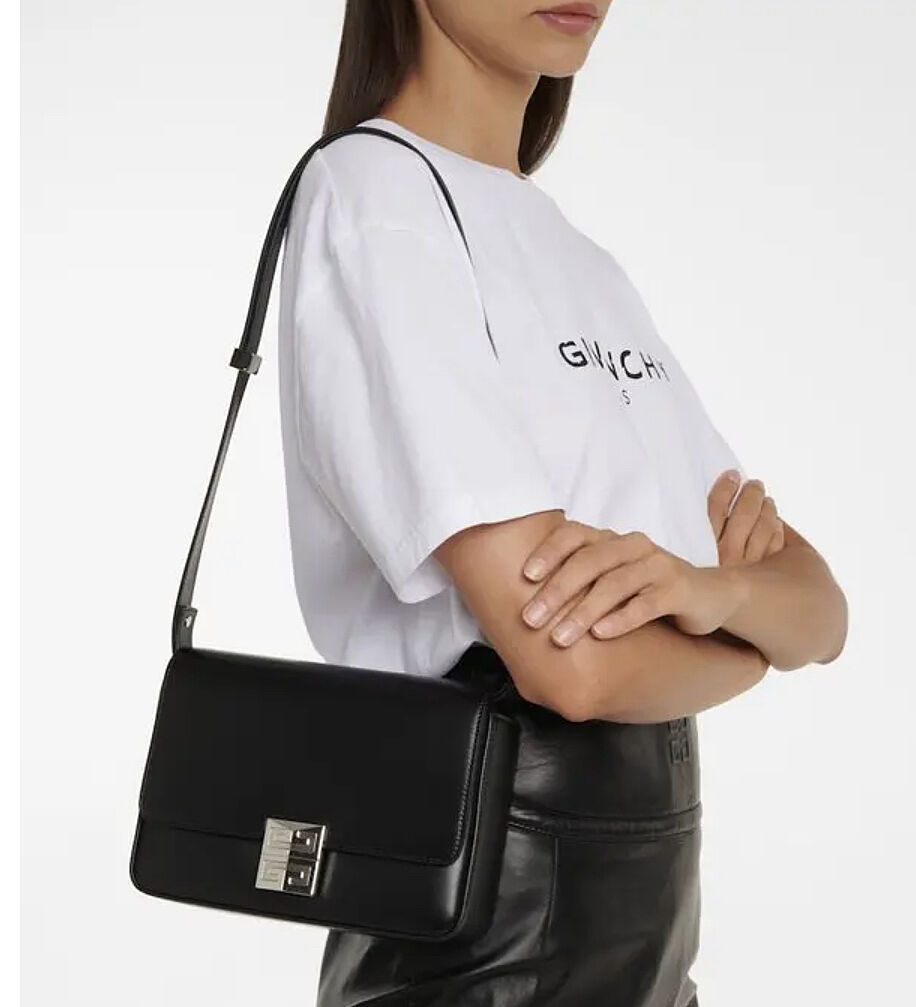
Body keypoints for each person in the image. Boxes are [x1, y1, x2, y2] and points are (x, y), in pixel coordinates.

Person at [276, 2, 849, 1005]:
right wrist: (751, 641)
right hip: (482, 956)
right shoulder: (375, 198)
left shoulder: (577, 258)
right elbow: (572, 668)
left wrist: (708, 593)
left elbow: (821, 610)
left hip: (646, 948)